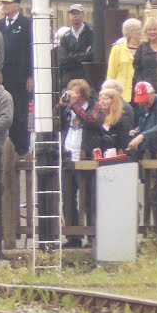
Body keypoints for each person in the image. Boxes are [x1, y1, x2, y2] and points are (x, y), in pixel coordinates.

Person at [58, 80, 96, 248]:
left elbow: (90, 121)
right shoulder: (68, 109)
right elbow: (56, 125)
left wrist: (74, 106)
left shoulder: (93, 106)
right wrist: (61, 107)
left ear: (81, 95)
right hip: (69, 157)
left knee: (88, 198)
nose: (71, 96)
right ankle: (73, 237)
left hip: (85, 157)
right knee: (68, 198)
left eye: (74, 93)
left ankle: (92, 236)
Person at [0, 0, 32, 155]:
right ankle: (7, 148)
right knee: (6, 112)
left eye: (8, 3)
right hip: (4, 77)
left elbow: (32, 51)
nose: (4, 6)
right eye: (3, 3)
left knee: (20, 113)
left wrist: (30, 75)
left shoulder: (26, 24)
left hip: (20, 78)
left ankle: (21, 149)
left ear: (17, 6)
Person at [57, 4, 94, 86]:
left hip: (86, 80)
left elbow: (92, 56)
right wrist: (83, 55)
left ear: (83, 15)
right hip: (69, 81)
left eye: (78, 13)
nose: (75, 16)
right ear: (69, 16)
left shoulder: (91, 33)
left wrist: (71, 56)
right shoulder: (65, 37)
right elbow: (62, 61)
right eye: (73, 13)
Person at [107, 18, 142, 101]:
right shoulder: (117, 48)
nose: (140, 31)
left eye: (141, 28)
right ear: (129, 32)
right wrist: (109, 91)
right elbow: (111, 72)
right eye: (137, 29)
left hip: (140, 88)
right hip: (123, 92)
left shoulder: (144, 46)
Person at [127, 81, 157, 158]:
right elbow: (146, 125)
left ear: (152, 93)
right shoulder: (144, 107)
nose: (143, 103)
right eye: (140, 100)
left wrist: (142, 136)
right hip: (150, 152)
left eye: (145, 99)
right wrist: (137, 131)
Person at [132, 17, 157, 96]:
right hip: (147, 90)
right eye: (149, 30)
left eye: (155, 29)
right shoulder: (142, 47)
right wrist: (141, 85)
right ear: (146, 31)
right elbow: (137, 69)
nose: (152, 32)